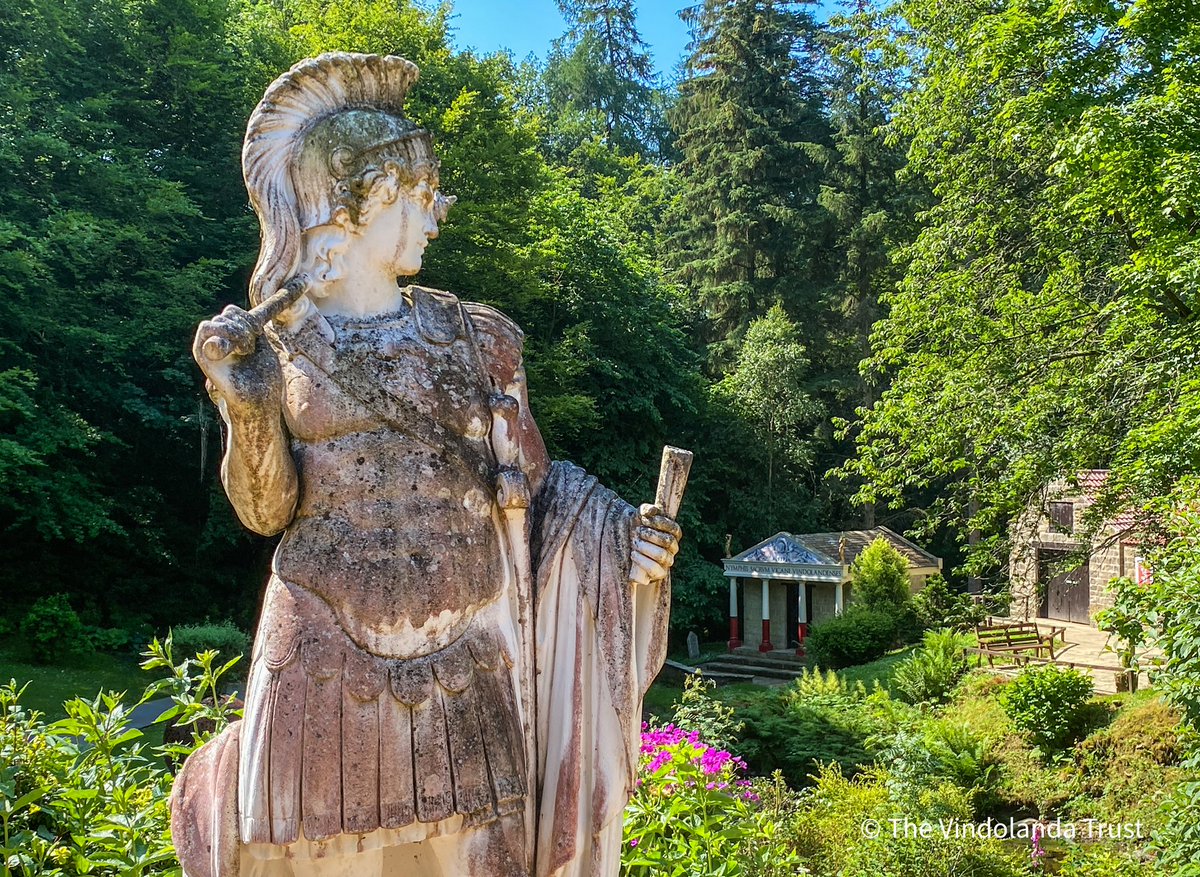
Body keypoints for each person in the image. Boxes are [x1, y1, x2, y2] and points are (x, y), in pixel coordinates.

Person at [171, 52, 682, 877]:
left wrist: (621, 541)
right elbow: (266, 510)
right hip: (322, 659)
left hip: (469, 657)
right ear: (359, 202)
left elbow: (541, 494)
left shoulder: (482, 340)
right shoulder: (280, 348)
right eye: (418, 194)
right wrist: (246, 402)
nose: (436, 213)